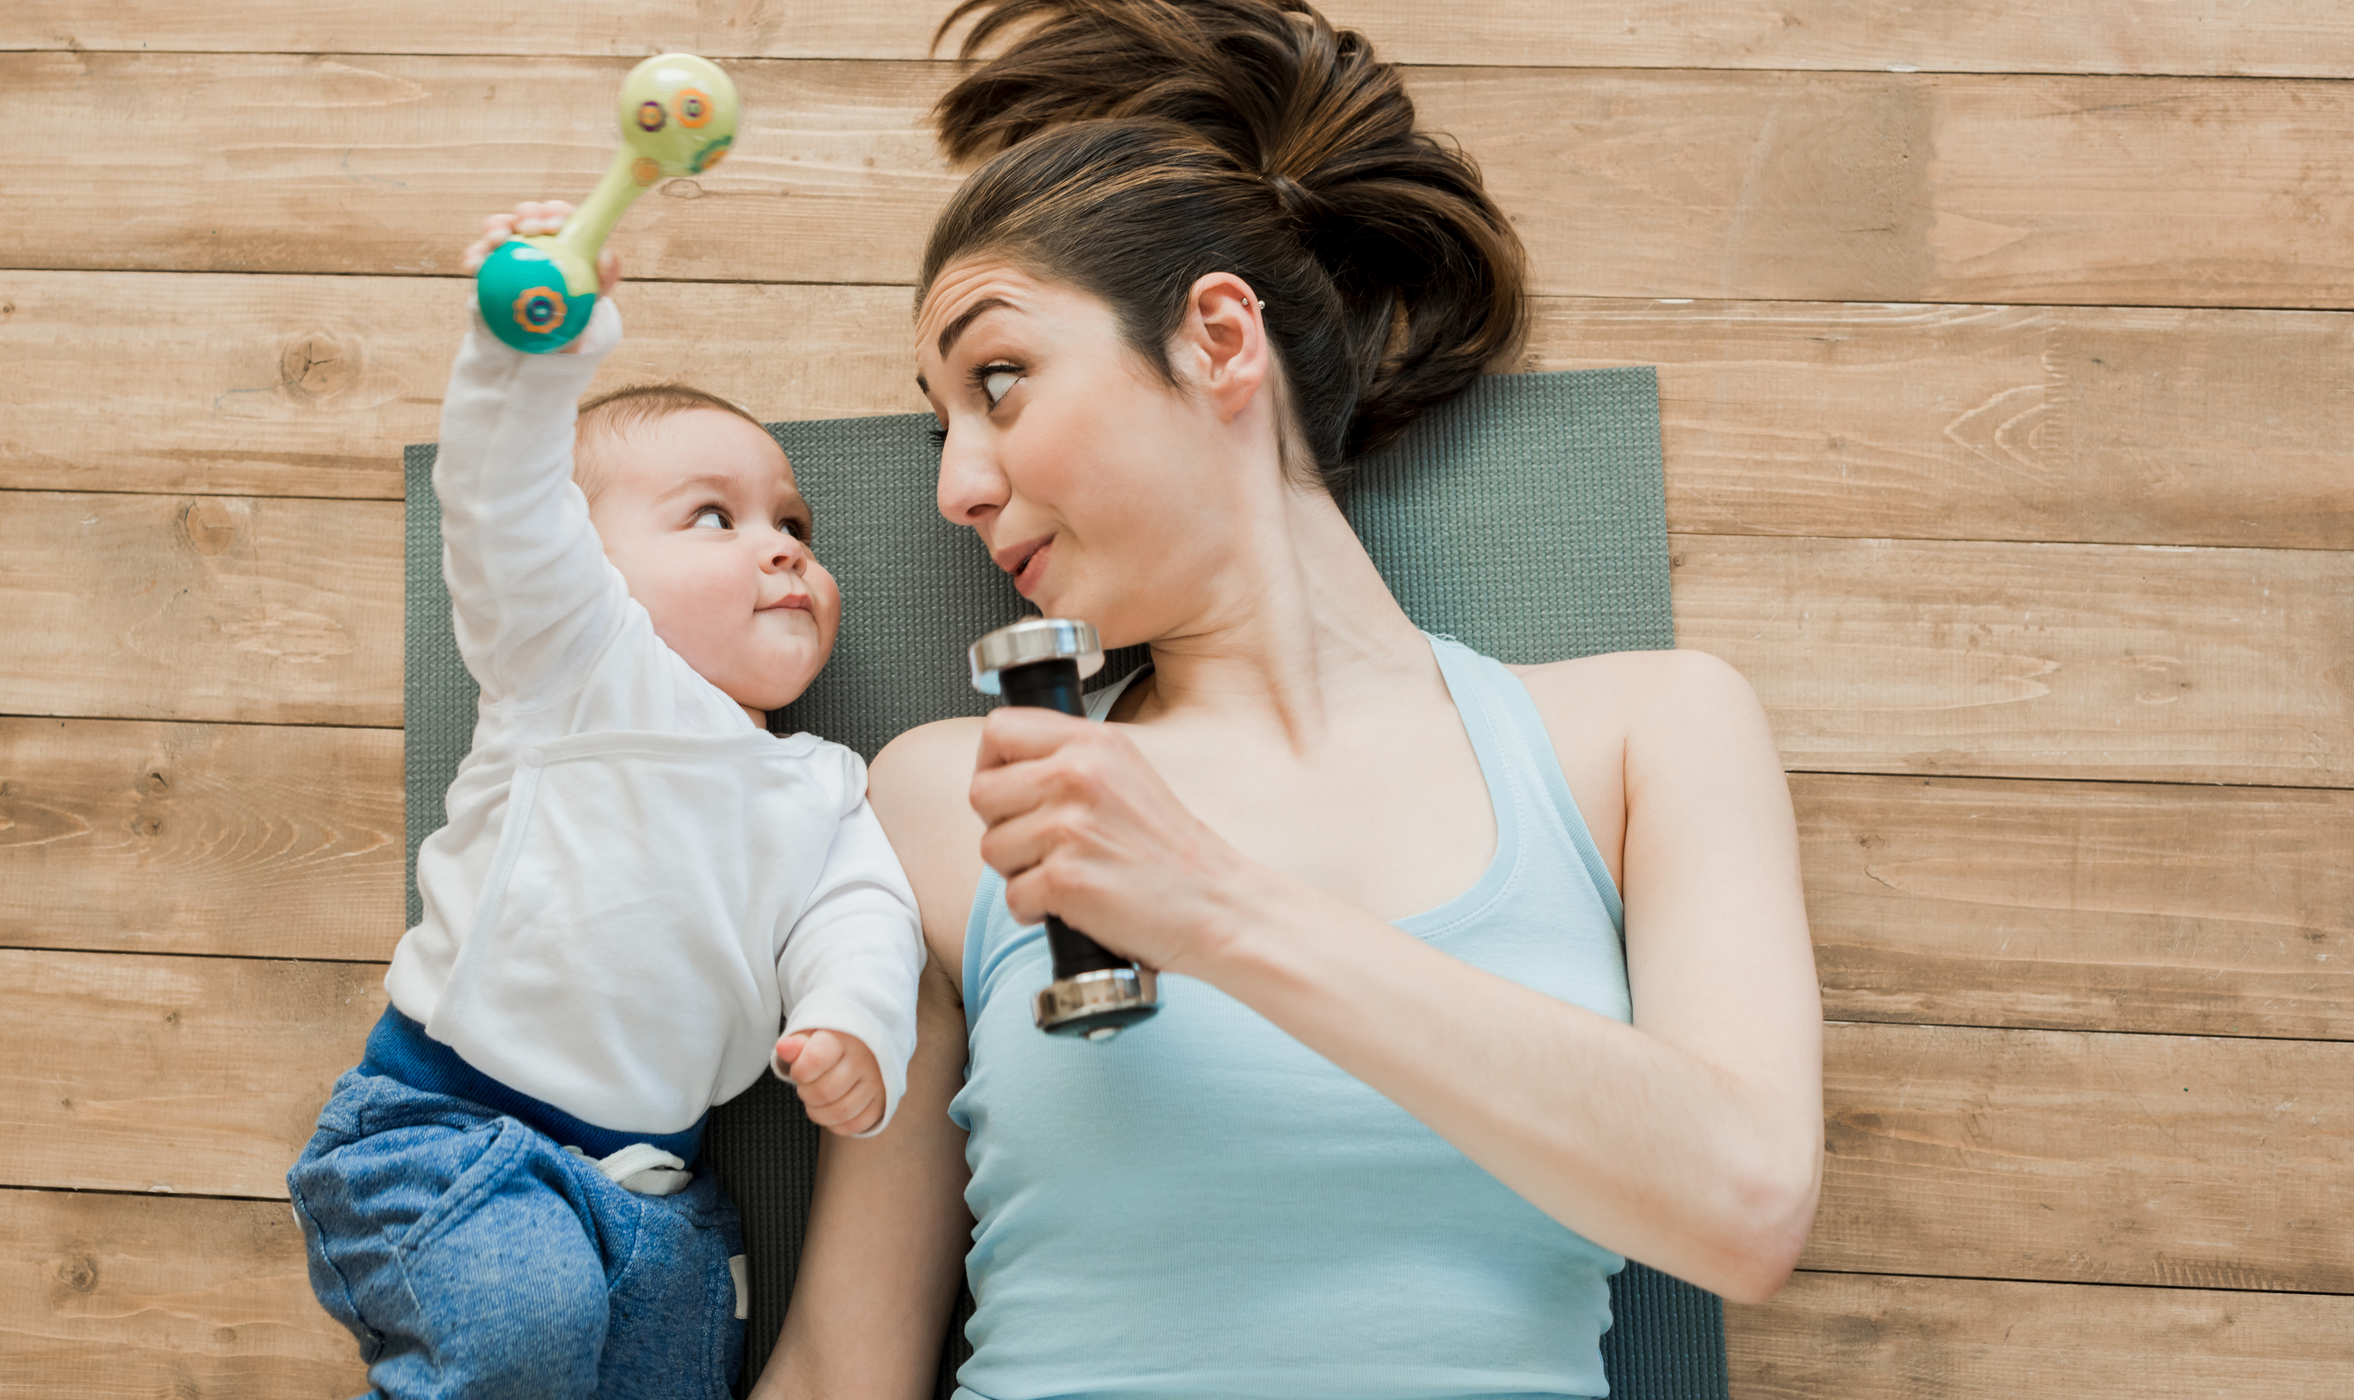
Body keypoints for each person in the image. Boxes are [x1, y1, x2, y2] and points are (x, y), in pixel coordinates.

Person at [753, 2, 1824, 1396]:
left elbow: (1745, 1207)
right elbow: (846, 1367)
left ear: (1216, 338)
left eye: (999, 380)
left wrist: (1212, 909)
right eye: (941, 422)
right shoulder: (950, 795)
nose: (956, 484)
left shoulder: (1645, 736)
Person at [288, 203, 925, 1399]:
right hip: (456, 1143)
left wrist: (853, 1021)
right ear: (593, 565)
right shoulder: (573, 661)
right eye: (714, 517)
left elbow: (866, 917)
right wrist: (528, 357)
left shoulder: (825, 784)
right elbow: (500, 506)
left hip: (661, 1196)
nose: (782, 547)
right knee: (522, 1328)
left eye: (795, 523)